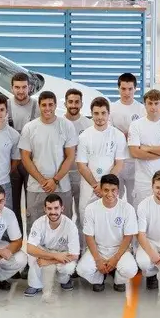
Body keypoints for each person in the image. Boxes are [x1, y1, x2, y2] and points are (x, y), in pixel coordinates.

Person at [19, 91, 78, 227]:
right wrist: (42, 181)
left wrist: (55, 180)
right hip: (36, 187)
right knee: (35, 226)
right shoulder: (29, 128)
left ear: (56, 105)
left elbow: (70, 156)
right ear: (39, 106)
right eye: (44, 105)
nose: (47, 108)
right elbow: (25, 157)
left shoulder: (66, 125)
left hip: (61, 186)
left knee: (64, 226)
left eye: (50, 104)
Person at [76, 97, 127, 244]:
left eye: (103, 113)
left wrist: (104, 186)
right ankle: (86, 251)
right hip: (89, 186)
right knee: (86, 219)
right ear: (91, 114)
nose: (99, 117)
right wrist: (95, 185)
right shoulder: (84, 136)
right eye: (96, 113)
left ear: (108, 114)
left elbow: (119, 163)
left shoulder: (117, 135)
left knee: (111, 220)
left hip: (110, 186)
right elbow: (81, 165)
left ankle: (112, 251)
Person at [76, 174, 139, 292]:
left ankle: (118, 280)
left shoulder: (127, 208)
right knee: (82, 270)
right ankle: (99, 279)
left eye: (113, 190)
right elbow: (89, 236)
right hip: (98, 249)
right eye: (106, 190)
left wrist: (115, 259)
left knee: (130, 270)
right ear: (100, 190)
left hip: (119, 250)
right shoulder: (91, 208)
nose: (110, 194)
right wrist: (98, 260)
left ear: (118, 191)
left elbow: (128, 237)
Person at [24, 194, 80, 299]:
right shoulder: (38, 223)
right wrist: (54, 256)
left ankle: (64, 280)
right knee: (32, 256)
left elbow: (75, 255)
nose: (53, 212)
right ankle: (35, 285)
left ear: (62, 208)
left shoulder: (70, 226)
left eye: (56, 208)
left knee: (68, 267)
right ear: (45, 209)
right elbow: (30, 248)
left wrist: (50, 261)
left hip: (63, 253)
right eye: (49, 208)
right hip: (47, 251)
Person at [7, 72, 40, 234]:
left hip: (32, 164)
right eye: (17, 87)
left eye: (24, 87)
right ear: (12, 88)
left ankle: (32, 242)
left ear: (30, 87)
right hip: (10, 164)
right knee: (12, 207)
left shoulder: (38, 107)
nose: (21, 91)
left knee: (32, 206)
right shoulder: (4, 106)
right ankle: (16, 243)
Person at [109, 73, 145, 200]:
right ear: (118, 88)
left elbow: (144, 135)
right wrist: (127, 134)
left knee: (134, 199)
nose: (127, 92)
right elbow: (109, 134)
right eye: (123, 88)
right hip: (116, 160)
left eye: (130, 89)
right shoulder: (111, 108)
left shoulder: (141, 109)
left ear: (135, 89)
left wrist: (124, 134)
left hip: (135, 161)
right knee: (115, 199)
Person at [63, 88, 93, 236]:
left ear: (81, 104)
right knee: (65, 213)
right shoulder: (59, 123)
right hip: (63, 176)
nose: (73, 105)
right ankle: (67, 244)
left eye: (77, 102)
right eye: (70, 102)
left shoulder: (88, 124)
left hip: (82, 176)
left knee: (83, 212)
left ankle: (82, 246)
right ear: (65, 103)